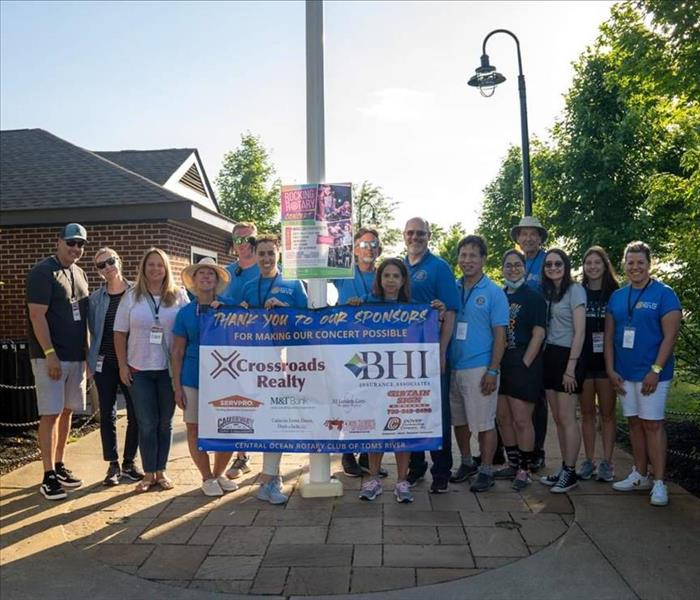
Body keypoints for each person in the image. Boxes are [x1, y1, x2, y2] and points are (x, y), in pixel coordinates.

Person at [606, 241, 681, 507]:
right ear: (624, 264)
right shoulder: (617, 297)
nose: (635, 267)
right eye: (630, 262)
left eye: (640, 262)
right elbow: (609, 337)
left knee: (653, 424)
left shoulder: (664, 294)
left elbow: (670, 336)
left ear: (649, 264)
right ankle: (640, 474)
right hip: (625, 374)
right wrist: (610, 369)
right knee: (635, 422)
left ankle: (659, 482)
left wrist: (656, 370)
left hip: (652, 375)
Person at [114, 247, 189, 492]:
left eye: (160, 265)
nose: (155, 269)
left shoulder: (179, 296)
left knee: (164, 423)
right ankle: (148, 473)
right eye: (151, 265)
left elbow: (191, 325)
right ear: (143, 269)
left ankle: (162, 471)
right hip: (139, 369)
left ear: (166, 269)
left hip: (169, 371)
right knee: (146, 422)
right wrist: (123, 365)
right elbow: (119, 333)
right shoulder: (132, 296)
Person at [240, 235, 308, 504]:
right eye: (262, 254)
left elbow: (308, 322)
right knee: (262, 420)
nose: (267, 259)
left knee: (277, 419)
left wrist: (286, 311)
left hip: (284, 363)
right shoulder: (247, 285)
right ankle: (268, 476)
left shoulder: (293, 285)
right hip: (254, 363)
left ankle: (272, 478)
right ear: (255, 255)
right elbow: (228, 313)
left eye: (271, 253)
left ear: (279, 254)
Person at [26, 223, 90, 500]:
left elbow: (83, 317)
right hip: (51, 357)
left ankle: (60, 464)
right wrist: (50, 353)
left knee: (67, 412)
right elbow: (37, 316)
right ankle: (47, 474)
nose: (75, 248)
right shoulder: (42, 272)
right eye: (71, 242)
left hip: (76, 357)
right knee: (50, 414)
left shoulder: (80, 273)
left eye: (80, 244)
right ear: (58, 242)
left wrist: (87, 354)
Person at [402, 217, 460, 493]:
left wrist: (442, 350)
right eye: (411, 233)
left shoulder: (440, 267)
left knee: (438, 413)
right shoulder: (397, 268)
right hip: (403, 357)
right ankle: (416, 466)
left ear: (429, 235)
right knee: (409, 409)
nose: (416, 238)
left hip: (432, 353)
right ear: (404, 235)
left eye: (421, 233)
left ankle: (441, 470)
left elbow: (449, 313)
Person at [172, 258, 238, 497]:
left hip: (226, 378)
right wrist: (177, 386)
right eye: (202, 274)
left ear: (217, 279)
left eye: (211, 274)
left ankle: (219, 474)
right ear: (195, 280)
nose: (207, 277)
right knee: (195, 428)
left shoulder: (231, 308)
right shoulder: (185, 313)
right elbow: (177, 351)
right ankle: (206, 477)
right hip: (193, 377)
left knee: (227, 429)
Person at [447, 236, 508, 493]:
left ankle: (486, 469)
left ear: (483, 259)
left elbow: (501, 337)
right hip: (454, 367)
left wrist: (493, 370)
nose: (467, 260)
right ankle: (467, 461)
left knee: (484, 422)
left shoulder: (494, 293)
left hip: (480, 367)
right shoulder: (453, 287)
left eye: (473, 255)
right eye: (463, 255)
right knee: (459, 421)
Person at [357, 258, 415, 503]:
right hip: (374, 379)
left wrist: (437, 312)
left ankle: (402, 481)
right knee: (375, 428)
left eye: (396, 276)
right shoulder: (367, 305)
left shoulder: (415, 309)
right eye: (386, 276)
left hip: (402, 379)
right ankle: (373, 478)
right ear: (379, 280)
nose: (391, 280)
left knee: (401, 429)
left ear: (403, 281)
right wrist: (352, 310)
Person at [333, 227, 387, 478]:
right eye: (363, 244)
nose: (368, 249)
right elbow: (321, 257)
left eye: (373, 244)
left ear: (379, 249)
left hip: (374, 348)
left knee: (374, 401)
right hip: (347, 346)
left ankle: (369, 456)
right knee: (349, 400)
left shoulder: (383, 275)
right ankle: (347, 454)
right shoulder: (344, 272)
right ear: (353, 249)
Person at [88, 247, 144, 486]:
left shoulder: (137, 293)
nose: (107, 267)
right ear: (98, 271)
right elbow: (92, 331)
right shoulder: (95, 299)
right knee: (107, 414)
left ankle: (130, 462)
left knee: (136, 413)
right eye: (101, 265)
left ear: (118, 261)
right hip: (104, 363)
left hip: (131, 362)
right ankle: (112, 464)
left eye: (110, 261)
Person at [495, 249, 546, 491]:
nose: (513, 269)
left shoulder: (533, 296)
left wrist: (525, 362)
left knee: (521, 418)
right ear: (502, 268)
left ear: (524, 268)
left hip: (523, 363)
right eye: (508, 265)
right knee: (503, 417)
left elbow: (539, 333)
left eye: (517, 265)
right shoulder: (498, 295)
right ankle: (512, 463)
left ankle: (525, 469)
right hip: (499, 363)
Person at [539, 249, 586, 493]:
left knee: (568, 418)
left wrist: (571, 367)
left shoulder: (575, 290)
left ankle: (571, 471)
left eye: (558, 263)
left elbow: (580, 332)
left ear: (566, 266)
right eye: (549, 264)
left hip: (569, 357)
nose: (553, 267)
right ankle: (564, 468)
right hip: (549, 356)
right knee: (557, 418)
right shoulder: (547, 292)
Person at [577, 246, 620, 483]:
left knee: (607, 414)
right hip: (584, 363)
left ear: (605, 265)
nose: (592, 267)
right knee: (586, 414)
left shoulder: (616, 293)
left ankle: (607, 462)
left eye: (597, 262)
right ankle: (589, 460)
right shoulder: (578, 292)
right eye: (588, 263)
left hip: (606, 363)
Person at [510, 215, 549, 471]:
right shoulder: (518, 263)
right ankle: (518, 453)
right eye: (523, 234)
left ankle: (537, 451)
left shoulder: (547, 260)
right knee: (518, 404)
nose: (528, 238)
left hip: (546, 335)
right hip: (522, 340)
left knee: (537, 400)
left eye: (533, 233)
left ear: (540, 237)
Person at [220, 221, 259, 479]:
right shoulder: (224, 273)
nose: (243, 244)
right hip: (228, 350)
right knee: (235, 402)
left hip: (261, 350)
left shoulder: (267, 270)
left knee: (260, 402)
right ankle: (241, 456)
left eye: (248, 239)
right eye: (238, 239)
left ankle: (269, 462)